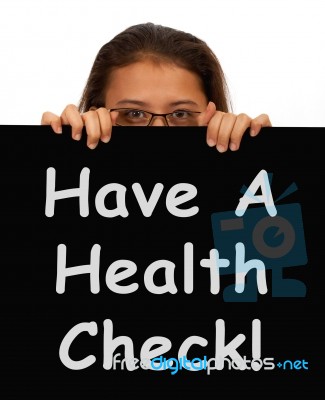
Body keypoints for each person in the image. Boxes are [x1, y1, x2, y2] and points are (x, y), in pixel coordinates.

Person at [41, 22, 271, 152]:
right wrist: (56, 155)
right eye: (134, 113)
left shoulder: (230, 204)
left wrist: (262, 162)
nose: (158, 133)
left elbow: (273, 238)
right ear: (96, 114)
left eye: (181, 114)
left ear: (215, 115)